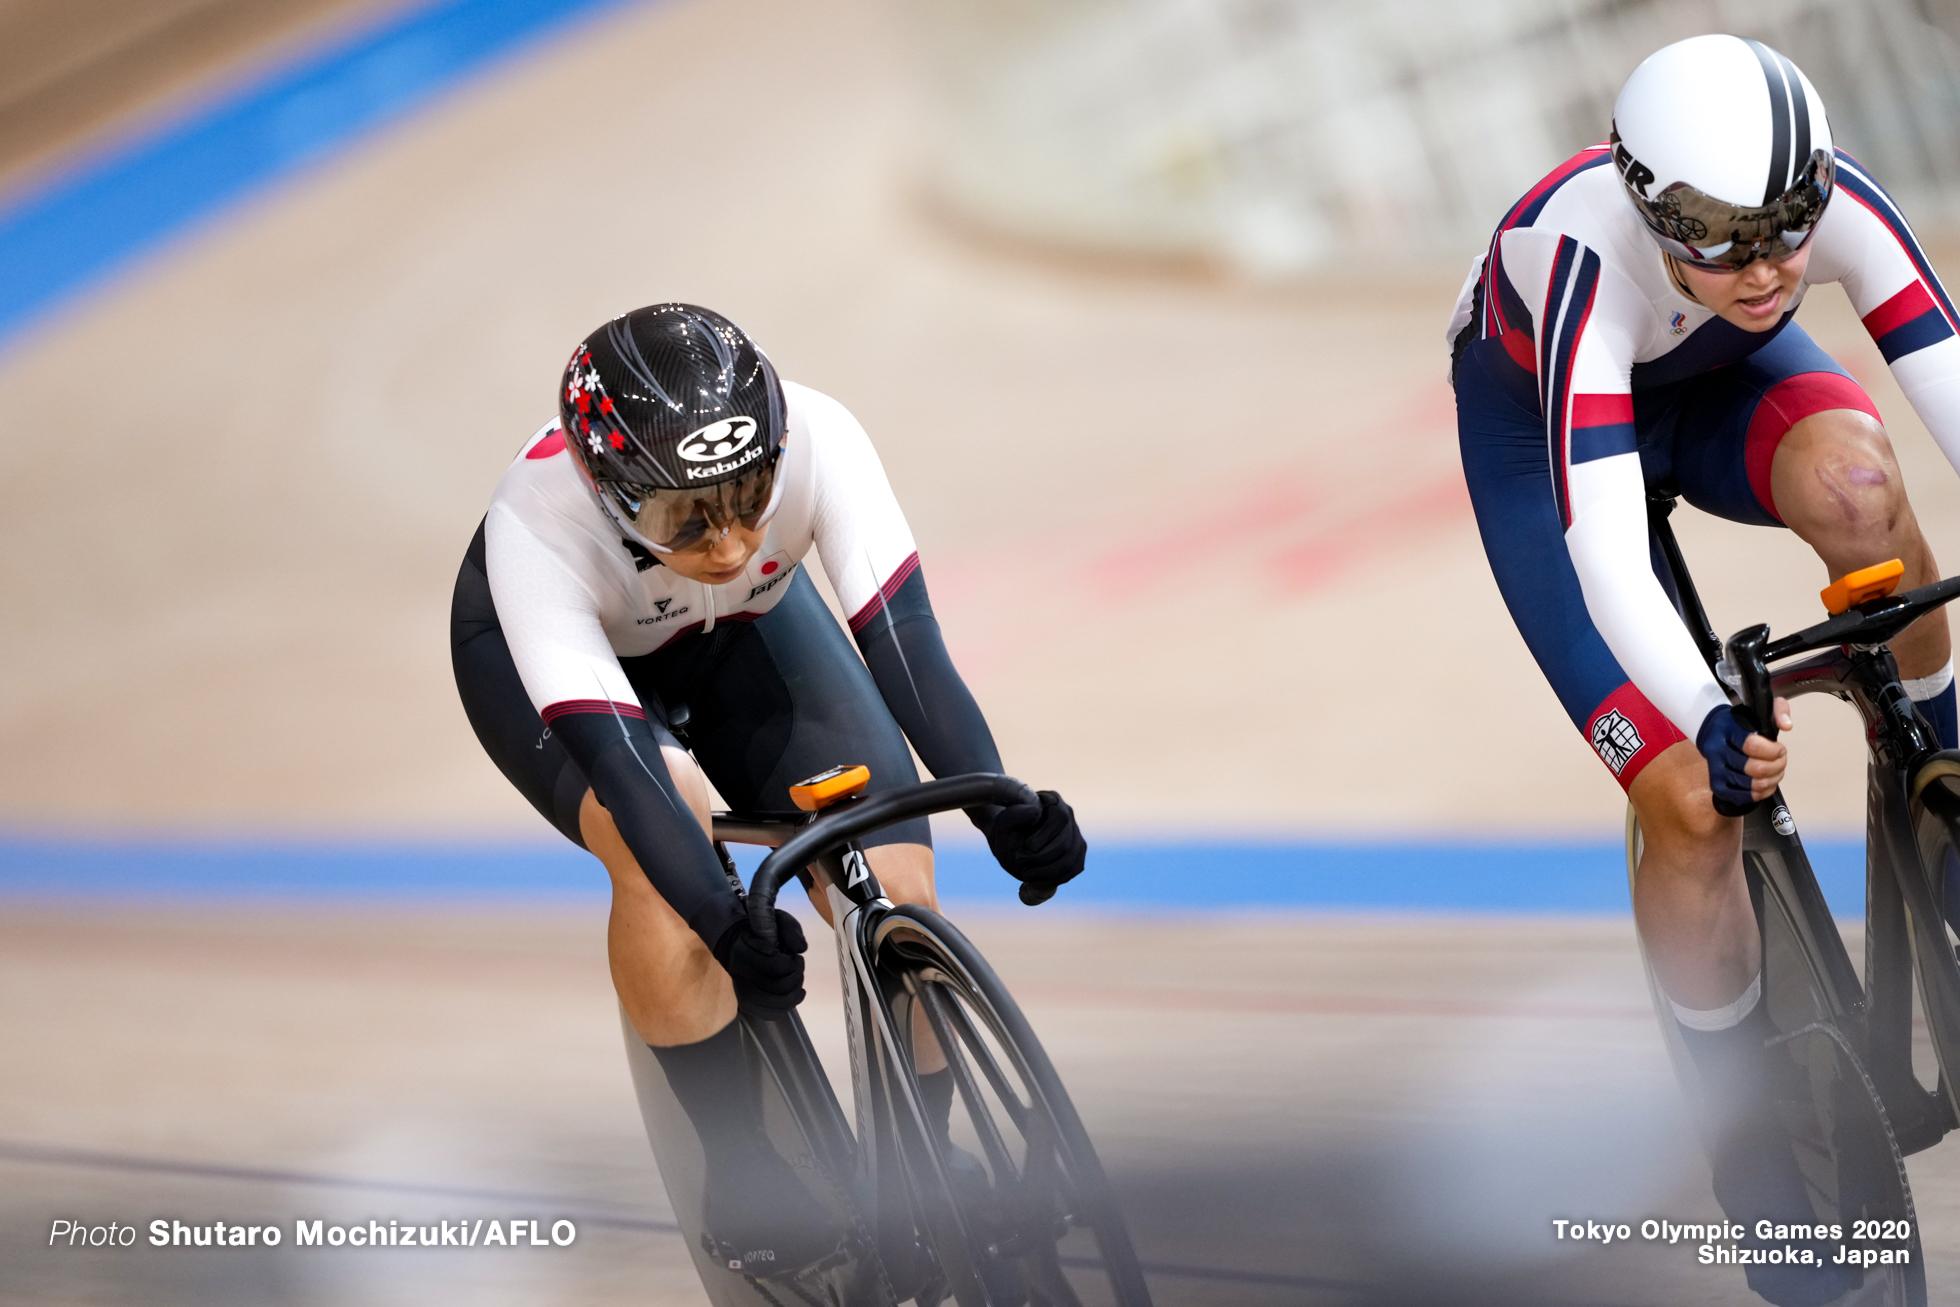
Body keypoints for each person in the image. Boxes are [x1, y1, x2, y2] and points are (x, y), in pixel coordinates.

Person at [1450, 34, 1960, 1305]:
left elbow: (1947, 387)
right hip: (1549, 446)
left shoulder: (1824, 208)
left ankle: (1940, 761)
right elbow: (1609, 551)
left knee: (1861, 489)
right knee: (1686, 800)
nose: (1768, 265)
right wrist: (1698, 716)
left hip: (1722, 388)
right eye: (1722, 240)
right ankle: (1744, 1121)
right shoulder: (1584, 256)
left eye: (1787, 229)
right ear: (1645, 199)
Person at [449, 302, 1087, 1274]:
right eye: (684, 518)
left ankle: (926, 1153)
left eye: (751, 494)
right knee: (665, 849)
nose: (732, 541)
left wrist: (997, 800)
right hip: (572, 669)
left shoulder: (821, 435)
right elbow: (623, 772)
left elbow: (905, 644)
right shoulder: (535, 525)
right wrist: (721, 917)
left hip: (745, 634)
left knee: (897, 878)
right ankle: (744, 1166)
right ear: (610, 495)